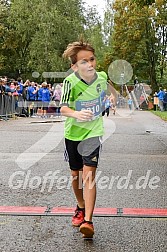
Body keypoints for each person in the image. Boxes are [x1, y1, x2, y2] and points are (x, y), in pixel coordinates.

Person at [60, 40, 107, 239]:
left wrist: (108, 100)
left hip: (93, 133)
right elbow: (63, 108)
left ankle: (88, 221)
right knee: (76, 175)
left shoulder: (102, 77)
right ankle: (80, 206)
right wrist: (76, 114)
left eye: (92, 59)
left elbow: (106, 93)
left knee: (89, 176)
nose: (89, 64)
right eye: (83, 62)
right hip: (73, 134)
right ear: (74, 66)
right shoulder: (69, 82)